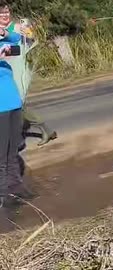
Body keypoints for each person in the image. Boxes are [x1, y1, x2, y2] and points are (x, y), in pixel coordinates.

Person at [1, 5, 57, 147]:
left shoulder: (18, 27)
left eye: (6, 12)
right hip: (4, 72)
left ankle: (21, 138)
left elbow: (26, 45)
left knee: (17, 105)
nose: (5, 15)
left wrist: (28, 32)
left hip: (17, 70)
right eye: (1, 13)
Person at [0, 24, 28, 209]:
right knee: (1, 154)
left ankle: (16, 188)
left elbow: (17, 42)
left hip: (13, 102)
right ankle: (3, 195)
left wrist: (4, 33)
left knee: (13, 152)